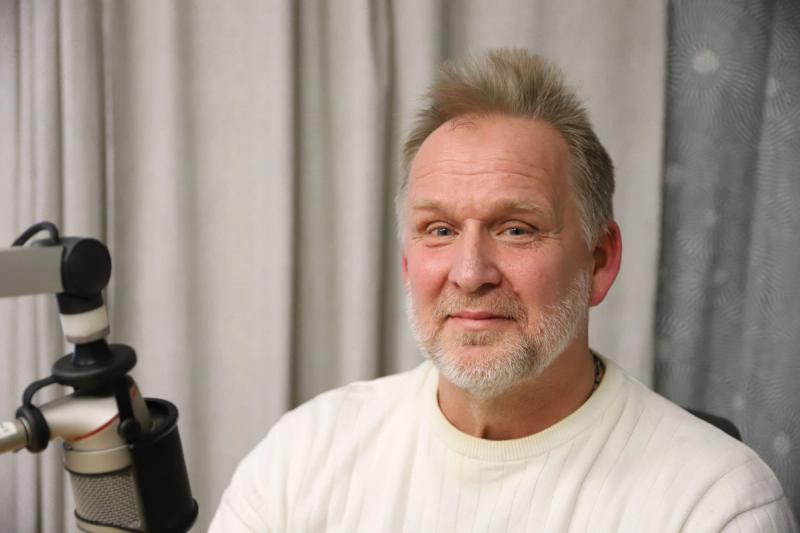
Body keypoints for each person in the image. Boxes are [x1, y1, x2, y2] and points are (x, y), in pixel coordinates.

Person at [210, 49, 797, 532]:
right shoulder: (300, 458)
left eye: (516, 229)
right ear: (408, 264)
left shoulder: (715, 504)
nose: (470, 273)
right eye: (439, 230)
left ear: (598, 261)